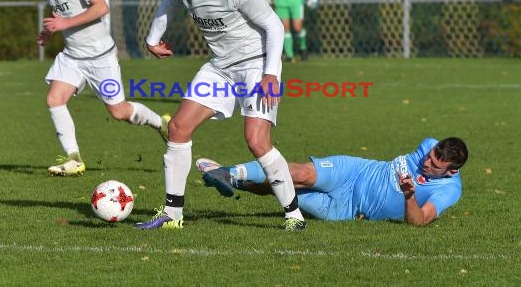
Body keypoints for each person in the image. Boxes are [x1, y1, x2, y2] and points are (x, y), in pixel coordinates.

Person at [134, 0, 306, 231]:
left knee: (256, 141)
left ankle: (294, 216)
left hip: (255, 64)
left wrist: (270, 75)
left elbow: (274, 25)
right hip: (221, 68)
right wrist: (152, 40)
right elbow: (167, 4)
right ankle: (172, 215)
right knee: (177, 128)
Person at [37, 0, 168, 176]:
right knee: (54, 100)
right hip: (73, 57)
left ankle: (161, 123)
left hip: (100, 58)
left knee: (119, 112)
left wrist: (65, 24)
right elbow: (59, 16)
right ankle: (74, 158)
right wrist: (48, 32)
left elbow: (101, 7)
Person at [197, 137, 468, 226]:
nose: (426, 163)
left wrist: (409, 196)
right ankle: (229, 173)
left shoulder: (449, 189)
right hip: (355, 171)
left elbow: (420, 221)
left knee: (284, 191)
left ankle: (238, 182)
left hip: (348, 210)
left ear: (450, 172)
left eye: (435, 166)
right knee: (300, 173)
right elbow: (428, 154)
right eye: (430, 156)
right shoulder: (429, 144)